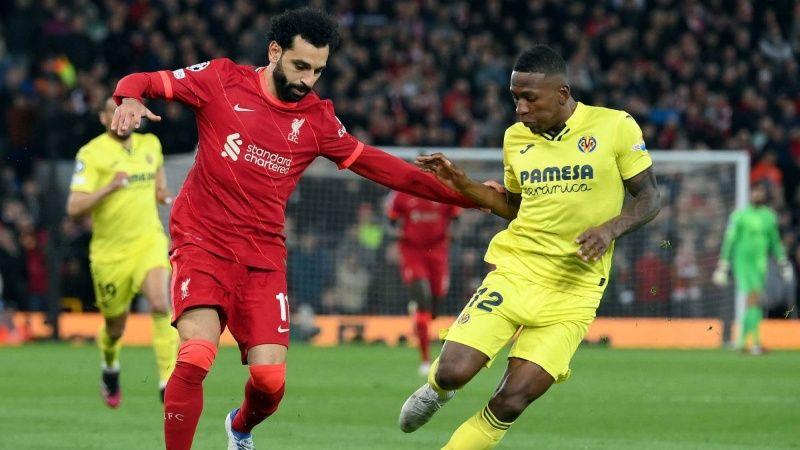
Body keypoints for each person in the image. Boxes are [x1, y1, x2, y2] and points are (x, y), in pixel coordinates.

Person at [110, 8, 473, 450]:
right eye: (300, 66)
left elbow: (382, 167)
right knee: (197, 354)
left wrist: (468, 194)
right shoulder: (222, 80)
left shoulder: (317, 120)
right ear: (274, 51)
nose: (307, 80)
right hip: (203, 242)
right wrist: (128, 98)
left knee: (270, 383)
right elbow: (143, 80)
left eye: (318, 71)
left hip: (263, 257)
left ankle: (239, 427)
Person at [398, 45, 661, 450]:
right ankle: (437, 390)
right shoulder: (515, 138)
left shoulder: (615, 126)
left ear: (562, 93)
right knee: (453, 372)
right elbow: (516, 207)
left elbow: (649, 198)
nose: (520, 109)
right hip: (517, 273)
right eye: (515, 98)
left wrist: (610, 229)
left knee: (511, 400)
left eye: (530, 98)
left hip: (574, 291)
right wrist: (464, 185)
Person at [67, 98, 178, 407]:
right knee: (115, 327)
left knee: (161, 303)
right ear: (104, 119)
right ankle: (110, 366)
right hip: (110, 254)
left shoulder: (150, 144)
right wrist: (109, 188)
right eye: (116, 114)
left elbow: (158, 182)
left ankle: (167, 380)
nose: (124, 119)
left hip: (148, 241)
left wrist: (161, 193)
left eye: (128, 114)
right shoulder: (91, 154)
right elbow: (74, 207)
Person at [712, 182, 793, 355]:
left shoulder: (769, 216)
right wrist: (723, 264)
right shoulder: (739, 216)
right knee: (754, 299)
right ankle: (754, 342)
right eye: (755, 191)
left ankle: (743, 343)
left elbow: (775, 241)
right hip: (743, 264)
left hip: (761, 265)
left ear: (765, 195)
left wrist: (783, 261)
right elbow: (730, 240)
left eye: (760, 192)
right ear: (750, 194)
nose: (757, 194)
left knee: (753, 303)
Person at [386, 191, 460, 376]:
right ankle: (425, 360)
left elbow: (456, 217)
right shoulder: (402, 194)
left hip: (438, 251)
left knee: (434, 308)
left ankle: (421, 317)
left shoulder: (443, 190)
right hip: (412, 251)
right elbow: (390, 221)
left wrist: (453, 233)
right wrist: (396, 233)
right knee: (422, 301)